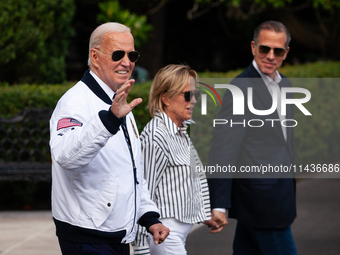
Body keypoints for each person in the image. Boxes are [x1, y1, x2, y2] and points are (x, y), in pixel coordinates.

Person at [49, 22, 169, 255]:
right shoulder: (74, 102)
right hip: (88, 235)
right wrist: (109, 121)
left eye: (132, 54)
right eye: (118, 54)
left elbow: (131, 170)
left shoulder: (117, 100)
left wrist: (149, 218)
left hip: (116, 235)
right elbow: (65, 157)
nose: (127, 62)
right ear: (95, 56)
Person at [208, 21, 298, 254]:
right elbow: (223, 149)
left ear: (286, 52)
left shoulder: (285, 84)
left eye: (277, 51)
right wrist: (218, 204)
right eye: (264, 49)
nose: (270, 56)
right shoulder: (240, 89)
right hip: (261, 204)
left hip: (279, 196)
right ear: (253, 47)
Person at [132, 64, 213, 255]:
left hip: (177, 234)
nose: (193, 101)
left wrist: (204, 214)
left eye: (196, 95)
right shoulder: (156, 135)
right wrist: (142, 250)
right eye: (187, 95)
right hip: (165, 235)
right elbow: (144, 192)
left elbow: (185, 185)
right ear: (166, 97)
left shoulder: (179, 133)